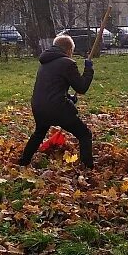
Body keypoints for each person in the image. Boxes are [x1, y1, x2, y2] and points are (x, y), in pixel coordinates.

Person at [18, 35, 95, 168]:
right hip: (57, 108)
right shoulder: (68, 63)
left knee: (39, 134)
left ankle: (23, 162)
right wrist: (89, 70)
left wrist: (69, 97)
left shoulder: (45, 62)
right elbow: (81, 88)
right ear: (69, 49)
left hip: (39, 106)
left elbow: (52, 87)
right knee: (84, 134)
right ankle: (87, 167)